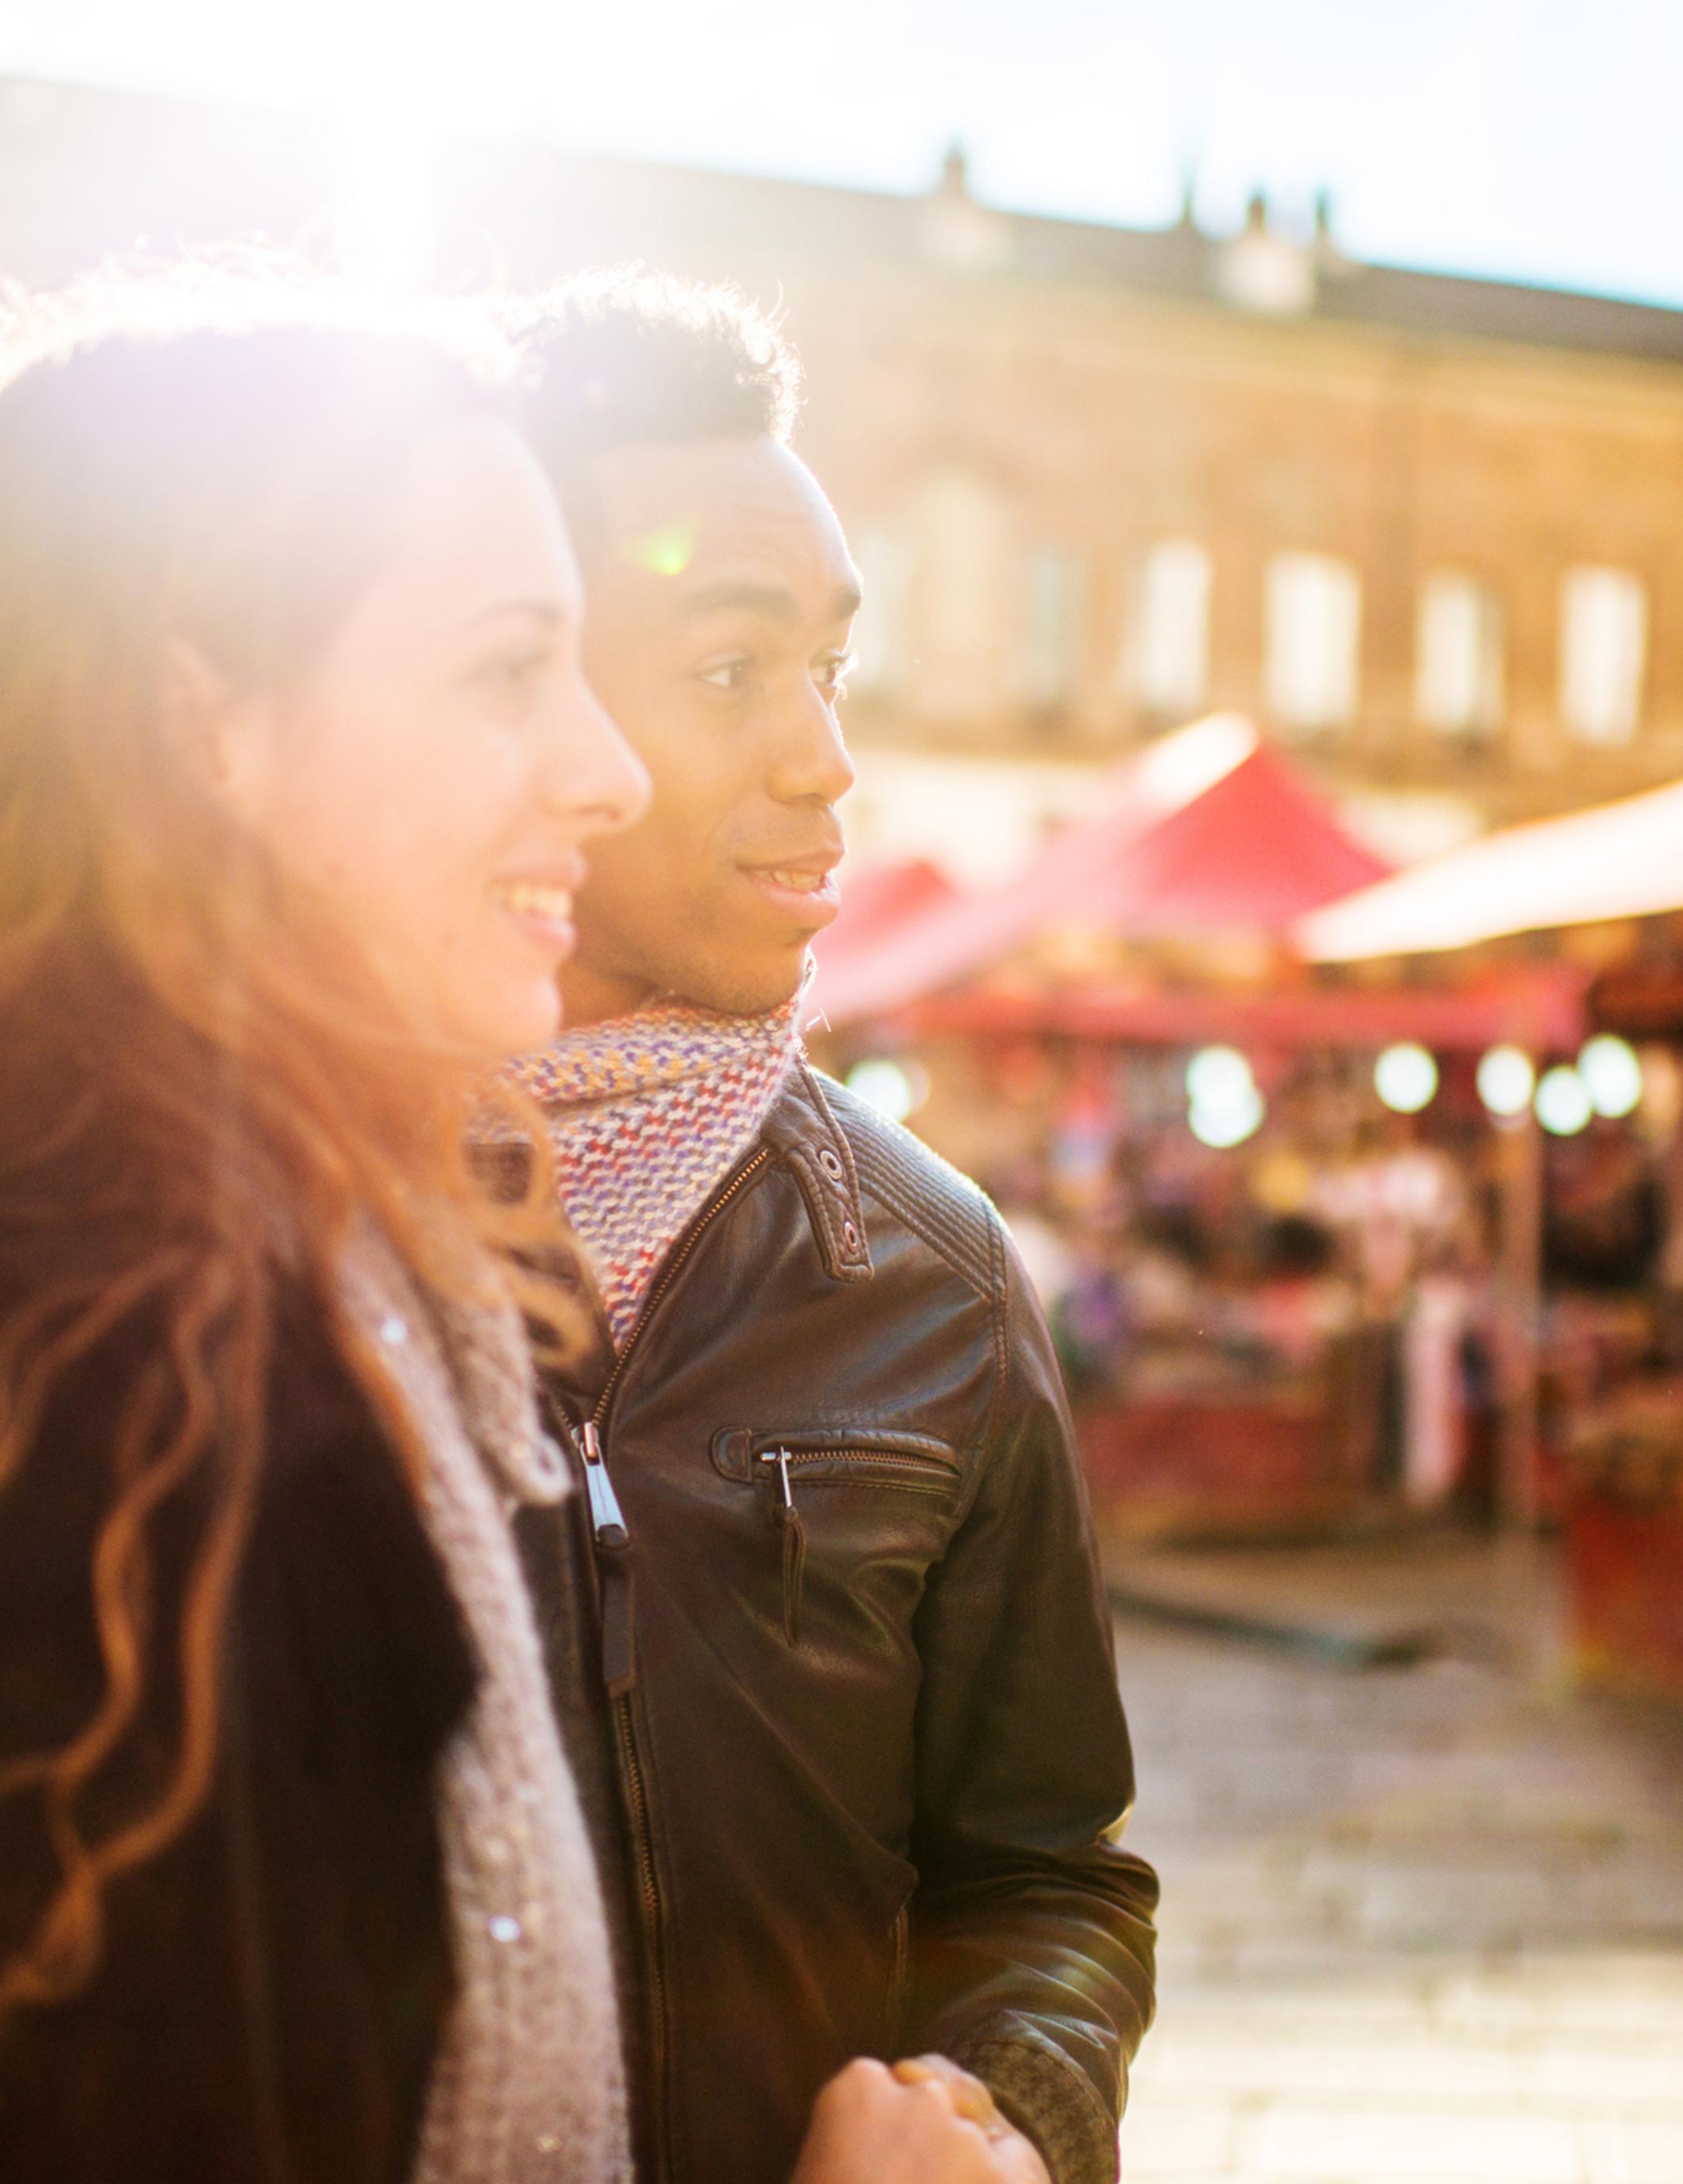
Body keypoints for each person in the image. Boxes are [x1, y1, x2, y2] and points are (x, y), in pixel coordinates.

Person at [0, 273, 1024, 2184]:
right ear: (200, 724)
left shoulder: (346, 1305)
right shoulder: (103, 1409)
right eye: (500, 673)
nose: (605, 768)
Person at [494, 272, 1158, 2184]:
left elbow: (1045, 1876)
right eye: (727, 671)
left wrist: (999, 2118)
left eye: (830, 674)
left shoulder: (928, 1275)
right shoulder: (269, 1221)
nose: (822, 759)